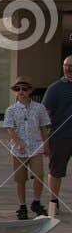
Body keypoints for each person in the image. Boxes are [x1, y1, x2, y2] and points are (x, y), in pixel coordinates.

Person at [3, 79, 52, 219]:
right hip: (19, 149)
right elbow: (9, 128)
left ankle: (36, 201)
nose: (21, 92)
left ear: (30, 90)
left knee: (39, 174)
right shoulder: (11, 109)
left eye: (24, 89)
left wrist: (46, 145)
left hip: (36, 146)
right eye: (18, 89)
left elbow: (43, 127)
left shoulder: (39, 108)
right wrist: (18, 142)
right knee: (20, 179)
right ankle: (22, 205)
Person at [44, 55, 72, 214]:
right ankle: (54, 201)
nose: (69, 68)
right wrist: (45, 138)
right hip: (60, 136)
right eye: (66, 65)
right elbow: (45, 114)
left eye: (71, 66)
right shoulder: (55, 88)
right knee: (56, 170)